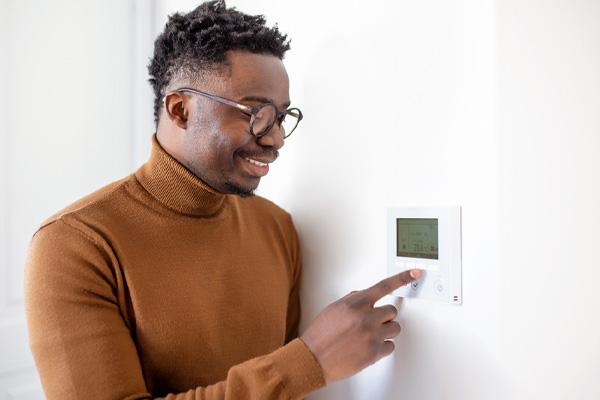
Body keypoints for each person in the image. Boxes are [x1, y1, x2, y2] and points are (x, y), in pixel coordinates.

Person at [24, 1, 421, 399]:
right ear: (180, 110)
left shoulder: (276, 228)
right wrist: (309, 362)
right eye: (256, 113)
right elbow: (291, 376)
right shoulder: (73, 245)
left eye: (282, 116)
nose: (276, 139)